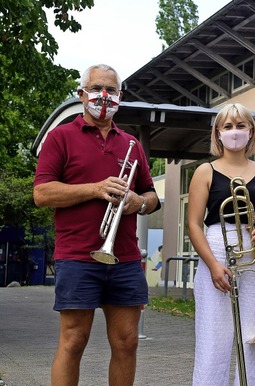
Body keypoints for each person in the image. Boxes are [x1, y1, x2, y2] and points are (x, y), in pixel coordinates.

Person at [33, 64, 160, 386]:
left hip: (126, 257)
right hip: (77, 255)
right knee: (74, 340)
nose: (104, 96)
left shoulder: (131, 144)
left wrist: (139, 202)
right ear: (82, 94)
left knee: (127, 341)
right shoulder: (60, 137)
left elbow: (152, 197)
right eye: (97, 88)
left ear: (121, 96)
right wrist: (95, 188)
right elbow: (42, 193)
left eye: (112, 90)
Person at [187, 103, 255, 385]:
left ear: (251, 131)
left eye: (241, 126)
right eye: (228, 126)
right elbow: (194, 224)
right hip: (217, 249)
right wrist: (213, 266)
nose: (234, 132)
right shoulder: (205, 171)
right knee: (213, 339)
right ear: (218, 133)